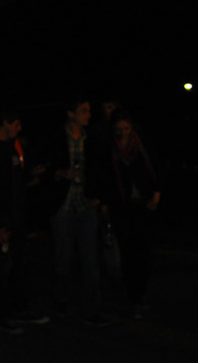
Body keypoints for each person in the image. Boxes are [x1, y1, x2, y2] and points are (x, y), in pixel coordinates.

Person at [0, 109, 48, 333]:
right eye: (16, 123)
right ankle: (5, 316)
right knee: (3, 269)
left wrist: (32, 175)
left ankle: (20, 309)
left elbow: (16, 182)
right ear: (5, 123)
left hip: (18, 218)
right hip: (2, 220)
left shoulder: (13, 147)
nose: (19, 128)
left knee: (20, 265)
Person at [42, 98, 113, 327]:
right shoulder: (55, 138)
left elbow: (102, 168)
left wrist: (98, 195)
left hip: (86, 204)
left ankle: (92, 309)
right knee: (63, 258)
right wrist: (63, 173)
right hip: (63, 205)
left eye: (89, 111)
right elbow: (44, 167)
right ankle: (61, 298)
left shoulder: (92, 138)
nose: (88, 115)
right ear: (71, 113)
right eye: (83, 111)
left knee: (90, 259)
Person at [107, 110, 161, 317]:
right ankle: (134, 297)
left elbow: (155, 168)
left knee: (144, 252)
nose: (123, 132)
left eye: (126, 128)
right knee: (128, 253)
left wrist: (156, 193)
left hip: (143, 204)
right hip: (123, 206)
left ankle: (142, 293)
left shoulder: (140, 145)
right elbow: (107, 177)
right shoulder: (111, 148)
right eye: (119, 129)